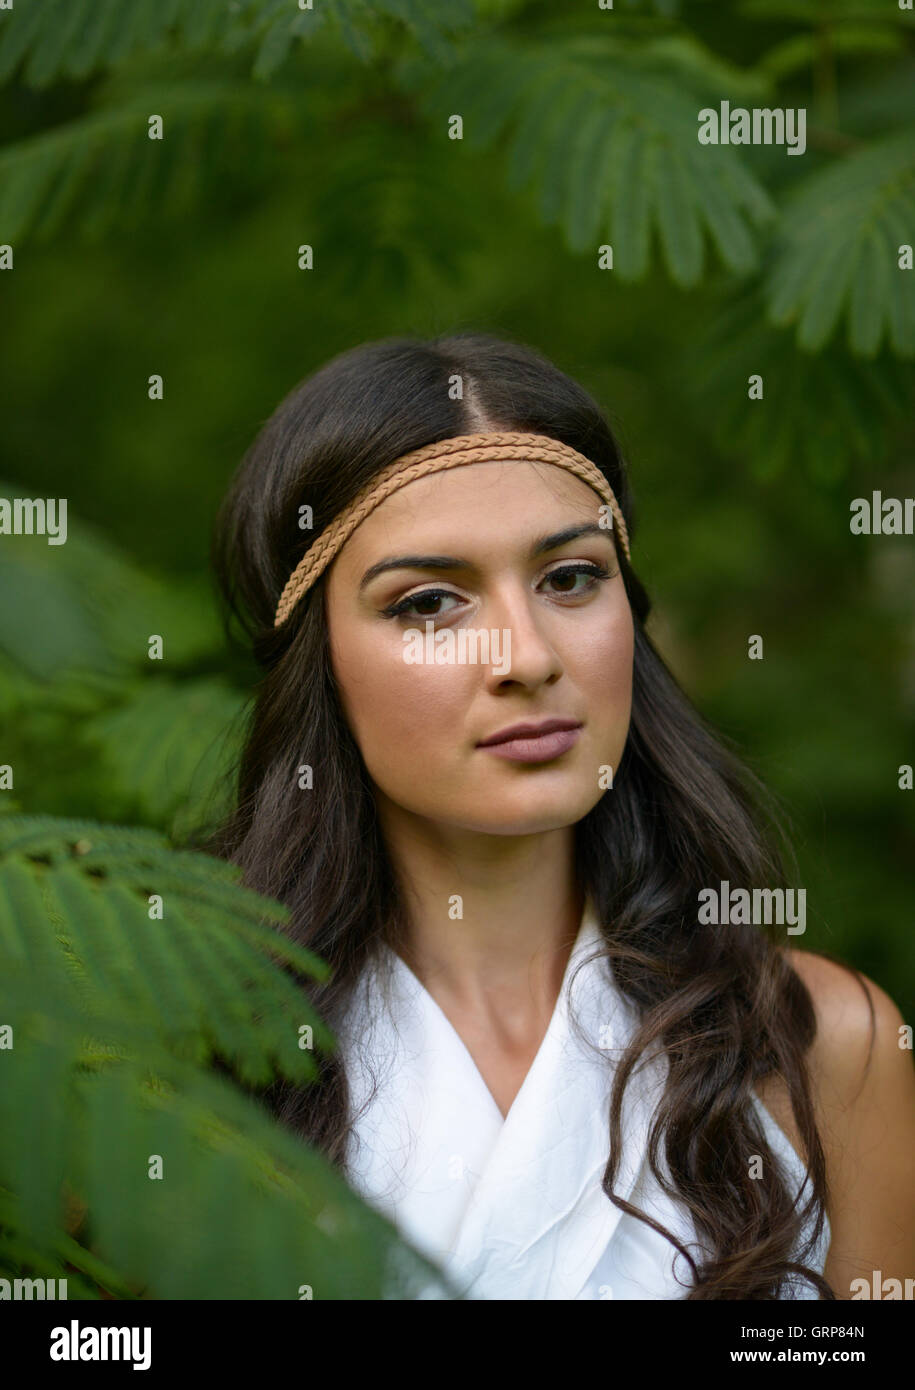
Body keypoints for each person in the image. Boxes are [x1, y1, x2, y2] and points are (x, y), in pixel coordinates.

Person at [208, 330, 915, 1299]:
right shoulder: (184, 1063)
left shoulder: (824, 1043)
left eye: (570, 577)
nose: (527, 655)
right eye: (428, 602)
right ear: (318, 660)